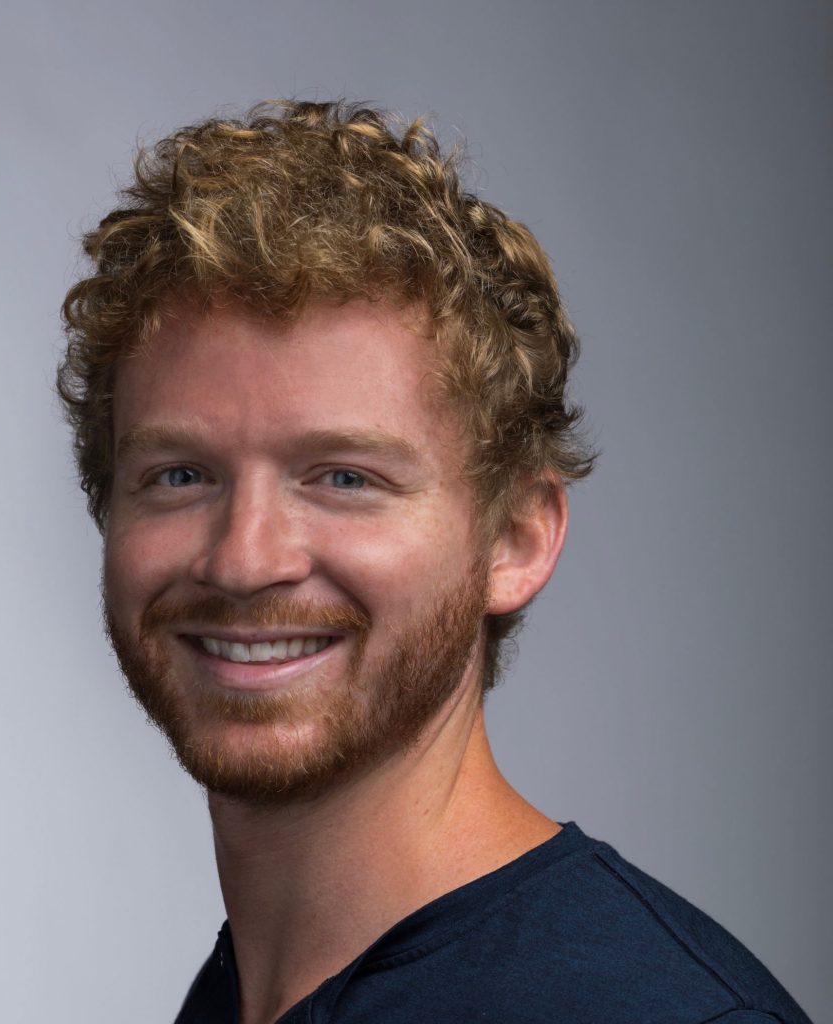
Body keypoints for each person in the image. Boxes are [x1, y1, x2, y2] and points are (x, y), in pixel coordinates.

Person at [57, 101, 812, 1024]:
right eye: (180, 475)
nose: (245, 559)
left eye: (344, 477)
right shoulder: (240, 998)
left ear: (516, 539)